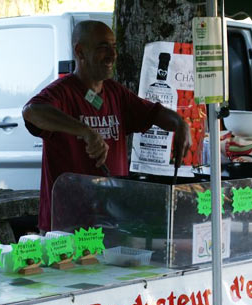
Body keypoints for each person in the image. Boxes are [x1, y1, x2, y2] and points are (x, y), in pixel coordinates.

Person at [23, 20, 191, 232]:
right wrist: (85, 131)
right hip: (67, 226)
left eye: (113, 47)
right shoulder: (61, 92)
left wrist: (180, 124)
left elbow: (154, 113)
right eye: (103, 47)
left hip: (113, 223)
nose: (112, 55)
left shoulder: (115, 93)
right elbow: (31, 111)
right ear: (80, 51)